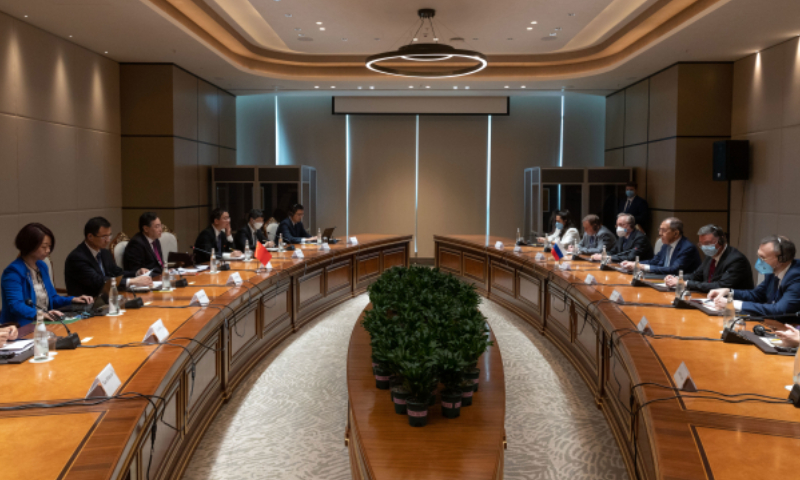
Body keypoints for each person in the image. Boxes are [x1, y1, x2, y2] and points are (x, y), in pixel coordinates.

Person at [0, 223, 93, 327]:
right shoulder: (13, 272)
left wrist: (73, 299)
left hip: (45, 323)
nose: (48, 250)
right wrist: (41, 315)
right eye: (44, 247)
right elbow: (16, 306)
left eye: (49, 246)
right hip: (21, 327)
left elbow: (52, 298)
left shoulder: (42, 266)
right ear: (29, 245)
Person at [710, 235, 800, 318]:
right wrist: (729, 292)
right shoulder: (772, 271)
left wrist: (733, 304)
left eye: (763, 257)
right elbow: (757, 295)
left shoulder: (796, 276)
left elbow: (779, 310)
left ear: (782, 259)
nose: (759, 261)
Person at [64, 217, 153, 298]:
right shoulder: (77, 258)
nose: (108, 240)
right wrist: (132, 281)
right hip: (87, 304)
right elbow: (98, 281)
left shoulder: (104, 253)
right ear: (90, 237)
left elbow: (117, 273)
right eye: (104, 236)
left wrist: (137, 273)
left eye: (109, 235)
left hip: (107, 300)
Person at [664, 224, 753, 293]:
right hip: (710, 299)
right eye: (701, 244)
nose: (704, 247)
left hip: (732, 303)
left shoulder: (736, 260)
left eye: (707, 243)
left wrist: (685, 283)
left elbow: (720, 286)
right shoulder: (710, 256)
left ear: (721, 240)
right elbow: (696, 276)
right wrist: (676, 278)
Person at [622, 217, 700, 275]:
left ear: (676, 233)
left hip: (680, 285)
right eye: (659, 230)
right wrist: (634, 263)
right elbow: (654, 261)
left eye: (664, 230)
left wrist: (642, 266)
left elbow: (673, 270)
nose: (660, 233)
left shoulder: (687, 248)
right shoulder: (666, 245)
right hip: (662, 278)